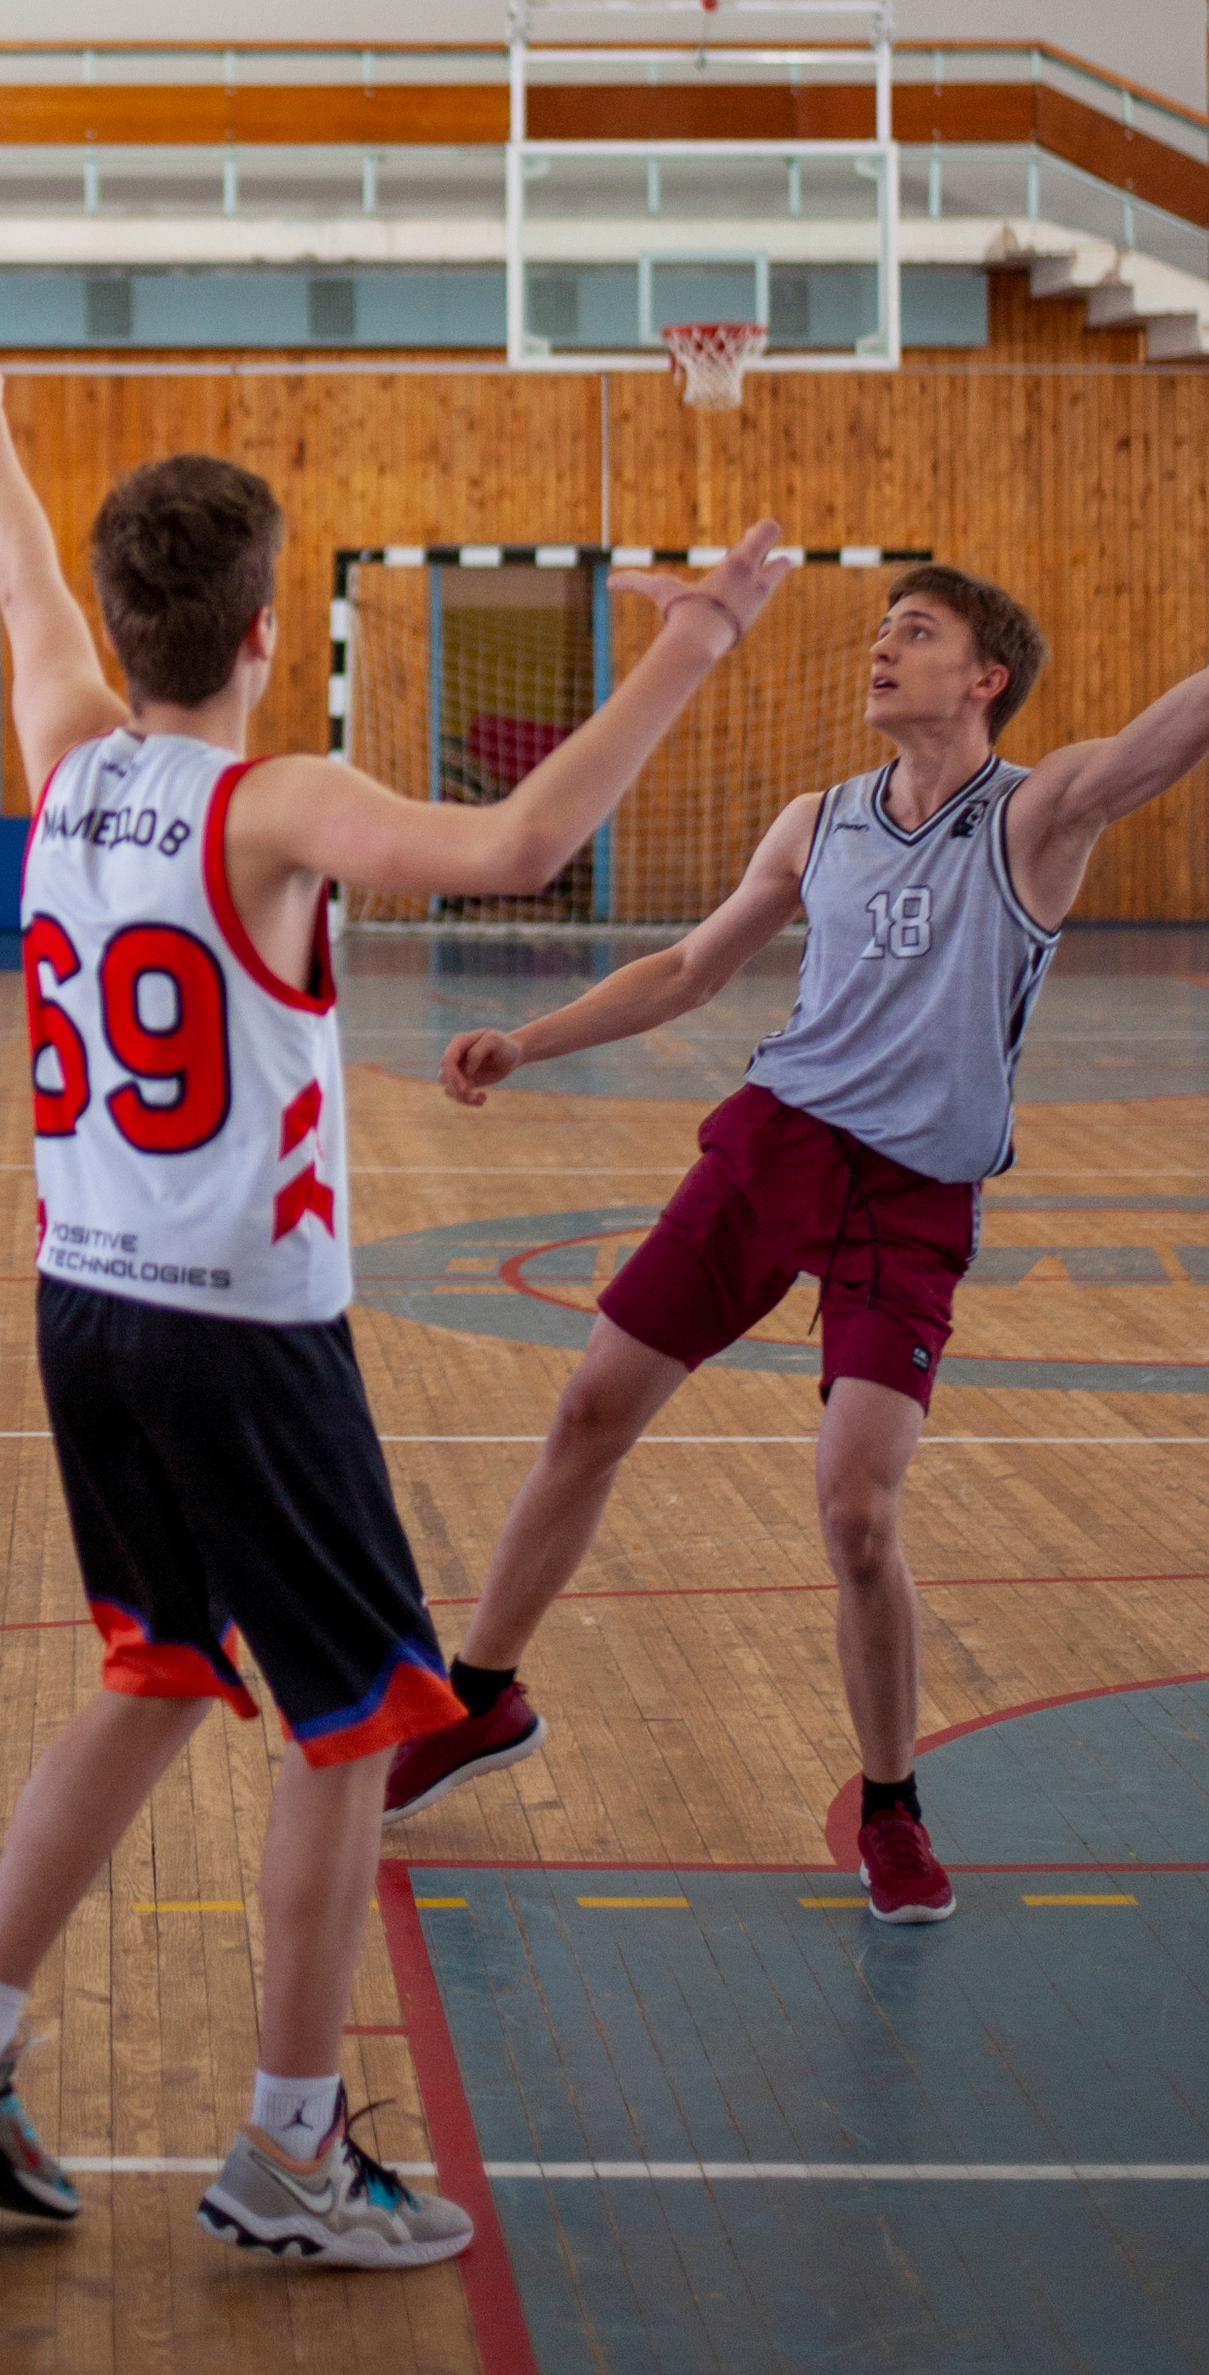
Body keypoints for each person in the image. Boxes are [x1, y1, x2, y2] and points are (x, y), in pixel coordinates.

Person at [0, 294, 790, 2268]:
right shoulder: (266, 810)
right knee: (358, 1718)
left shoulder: (62, 760)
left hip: (82, 1310)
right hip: (237, 1335)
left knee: (153, 1669)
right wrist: (693, 641)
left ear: (124, 631)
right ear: (271, 629)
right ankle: (291, 2146)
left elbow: (19, 574)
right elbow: (530, 840)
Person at [386, 563, 1209, 1928]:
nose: (883, 645)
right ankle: (481, 1694)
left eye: (918, 630)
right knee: (588, 1406)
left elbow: (1162, 739)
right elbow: (690, 968)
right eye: (883, 625)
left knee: (857, 1508)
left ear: (986, 675)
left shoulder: (1036, 818)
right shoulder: (817, 820)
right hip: (776, 1141)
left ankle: (891, 1803)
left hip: (912, 1193)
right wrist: (527, 1039)